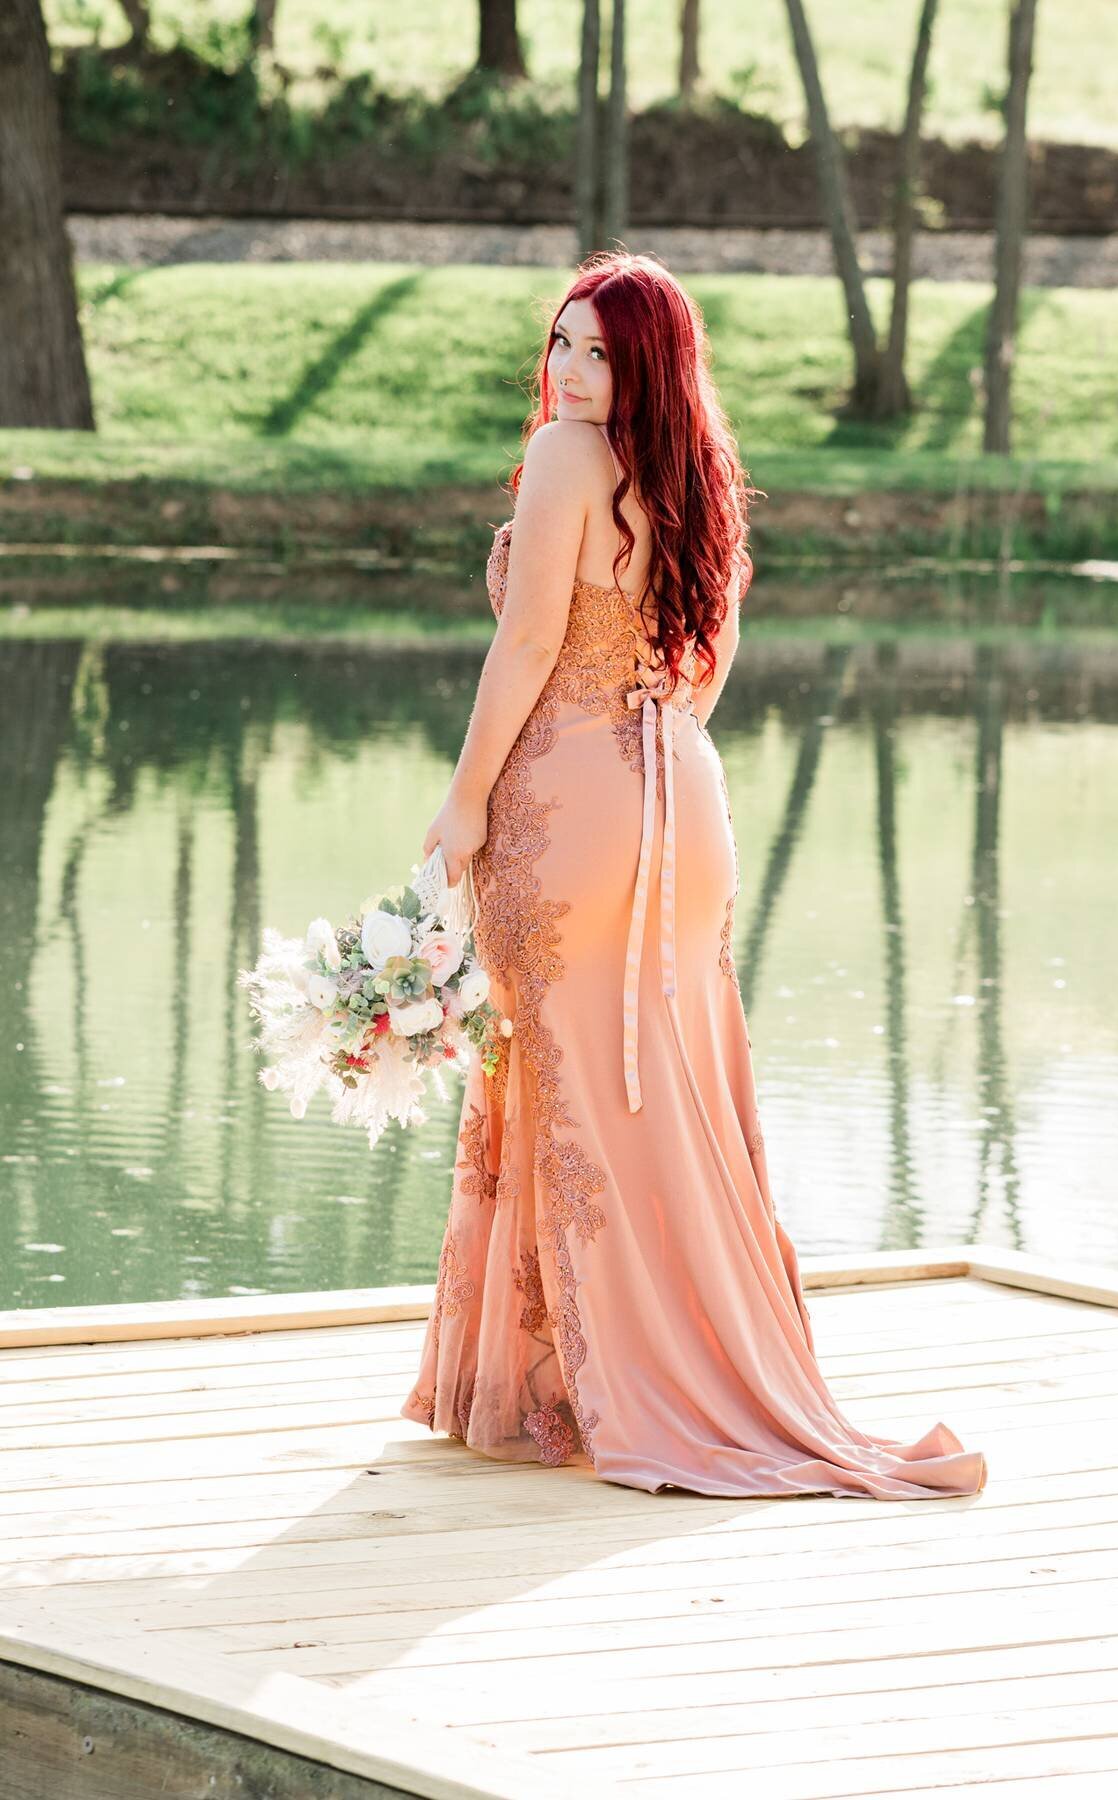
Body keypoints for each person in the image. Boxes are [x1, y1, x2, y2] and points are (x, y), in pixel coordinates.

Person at [401, 251, 986, 1500]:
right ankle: (646, 1368)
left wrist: (462, 801)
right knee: (662, 1087)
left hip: (567, 799)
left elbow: (530, 642)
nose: (565, 372)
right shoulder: (699, 484)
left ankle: (599, 1387)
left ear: (644, 363)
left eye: (597, 351)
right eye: (559, 344)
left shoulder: (565, 461)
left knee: (561, 1076)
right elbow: (701, 674)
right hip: (678, 797)